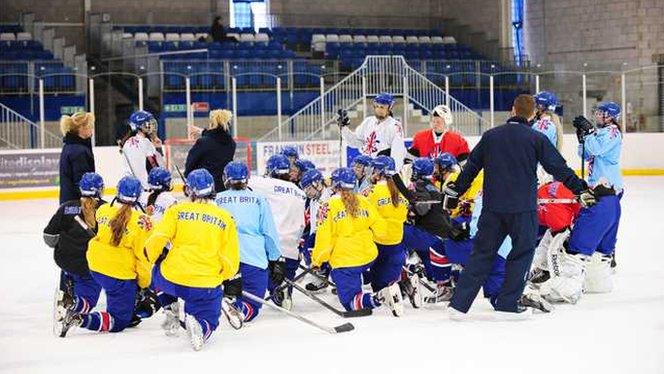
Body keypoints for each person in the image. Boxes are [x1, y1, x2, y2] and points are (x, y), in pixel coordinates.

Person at [442, 94, 594, 320]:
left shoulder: (491, 136)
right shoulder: (536, 138)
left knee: (481, 254)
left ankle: (458, 306)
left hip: (493, 208)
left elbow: (471, 168)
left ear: (513, 110)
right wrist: (580, 188)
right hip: (523, 209)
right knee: (521, 254)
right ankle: (507, 305)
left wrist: (456, 190)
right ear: (533, 114)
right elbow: (558, 168)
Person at [537, 102, 623, 304]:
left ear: (611, 117)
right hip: (597, 191)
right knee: (599, 230)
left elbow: (597, 149)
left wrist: (590, 133)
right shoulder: (601, 132)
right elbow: (583, 154)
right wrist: (583, 137)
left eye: (602, 114)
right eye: (598, 113)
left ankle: (570, 285)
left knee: (588, 231)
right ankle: (598, 276)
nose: (598, 116)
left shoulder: (612, 132)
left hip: (606, 190)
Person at [145, 169, 240, 351]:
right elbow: (231, 258)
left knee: (156, 274)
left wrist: (150, 256)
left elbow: (158, 238)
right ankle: (201, 327)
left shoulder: (177, 210)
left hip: (172, 278)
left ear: (189, 190)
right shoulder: (226, 218)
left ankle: (169, 306)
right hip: (204, 284)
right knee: (209, 318)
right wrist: (222, 277)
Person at [57, 176, 153, 337]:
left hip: (95, 266)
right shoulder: (142, 222)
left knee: (101, 292)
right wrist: (143, 283)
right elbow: (142, 257)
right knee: (119, 320)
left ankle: (73, 301)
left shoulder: (102, 210)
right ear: (138, 196)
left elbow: (116, 222)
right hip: (119, 274)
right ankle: (79, 319)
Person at [311, 167, 401, 316]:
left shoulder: (328, 206)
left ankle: (379, 297)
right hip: (369, 256)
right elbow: (381, 229)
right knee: (358, 274)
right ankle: (399, 282)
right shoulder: (364, 200)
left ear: (336, 185)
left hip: (346, 261)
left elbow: (324, 238)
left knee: (350, 303)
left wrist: (317, 261)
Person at [214, 161, 283, 323]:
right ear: (247, 179)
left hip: (223, 260)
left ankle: (226, 299)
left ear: (226, 178)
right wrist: (276, 258)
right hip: (254, 259)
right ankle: (241, 309)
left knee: (227, 289)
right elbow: (269, 232)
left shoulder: (216, 199)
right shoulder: (259, 199)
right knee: (253, 304)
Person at [46, 172, 104, 337]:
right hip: (90, 266)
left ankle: (67, 286)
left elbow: (49, 237)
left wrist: (67, 246)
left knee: (68, 266)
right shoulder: (107, 209)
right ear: (100, 190)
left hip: (66, 261)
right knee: (87, 303)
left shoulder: (66, 207)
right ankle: (73, 303)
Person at [249, 154, 306, 309]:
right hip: (293, 250)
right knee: (286, 279)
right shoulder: (300, 192)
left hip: (272, 250)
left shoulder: (267, 184)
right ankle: (284, 292)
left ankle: (277, 292)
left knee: (263, 275)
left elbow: (240, 181)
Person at [365, 156, 408, 316]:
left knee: (375, 281)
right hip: (397, 242)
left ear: (379, 172)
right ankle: (400, 283)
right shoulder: (401, 190)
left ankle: (388, 290)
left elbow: (364, 216)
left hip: (377, 243)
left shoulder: (373, 191)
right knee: (387, 276)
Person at [339, 92, 407, 171]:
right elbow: (355, 142)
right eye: (377, 106)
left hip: (379, 170)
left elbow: (398, 151)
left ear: (390, 108)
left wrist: (393, 171)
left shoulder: (395, 126)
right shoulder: (368, 121)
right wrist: (344, 128)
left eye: (382, 107)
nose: (379, 109)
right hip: (364, 167)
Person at [299, 169, 335, 292]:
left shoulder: (330, 196)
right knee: (307, 247)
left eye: (308, 188)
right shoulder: (313, 199)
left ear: (317, 184)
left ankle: (329, 277)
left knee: (315, 249)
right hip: (318, 233)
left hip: (330, 234)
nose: (306, 192)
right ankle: (321, 276)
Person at [185, 109, 236, 192]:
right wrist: (201, 131)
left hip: (204, 188)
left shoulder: (203, 142)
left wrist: (188, 177)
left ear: (212, 123)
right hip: (224, 188)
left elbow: (190, 163)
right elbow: (217, 137)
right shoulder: (232, 143)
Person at [121, 110, 165, 189]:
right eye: (148, 124)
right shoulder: (133, 144)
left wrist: (158, 148)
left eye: (152, 123)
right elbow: (139, 171)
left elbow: (158, 167)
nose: (152, 126)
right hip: (138, 190)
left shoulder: (146, 141)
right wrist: (148, 190)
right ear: (138, 126)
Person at [58, 111, 95, 204]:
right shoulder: (78, 151)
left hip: (69, 201)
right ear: (82, 128)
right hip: (76, 204)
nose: (92, 129)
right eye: (90, 126)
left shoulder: (72, 145)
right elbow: (81, 182)